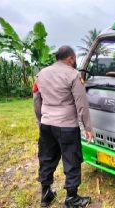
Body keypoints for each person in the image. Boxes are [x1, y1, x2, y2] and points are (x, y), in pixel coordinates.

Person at [33, 45, 93, 208]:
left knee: (46, 158)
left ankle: (46, 195)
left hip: (46, 124)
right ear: (71, 59)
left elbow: (37, 100)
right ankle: (72, 198)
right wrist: (88, 127)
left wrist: (41, 121)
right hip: (67, 126)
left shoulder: (41, 74)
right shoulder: (74, 75)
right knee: (71, 159)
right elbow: (82, 104)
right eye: (75, 59)